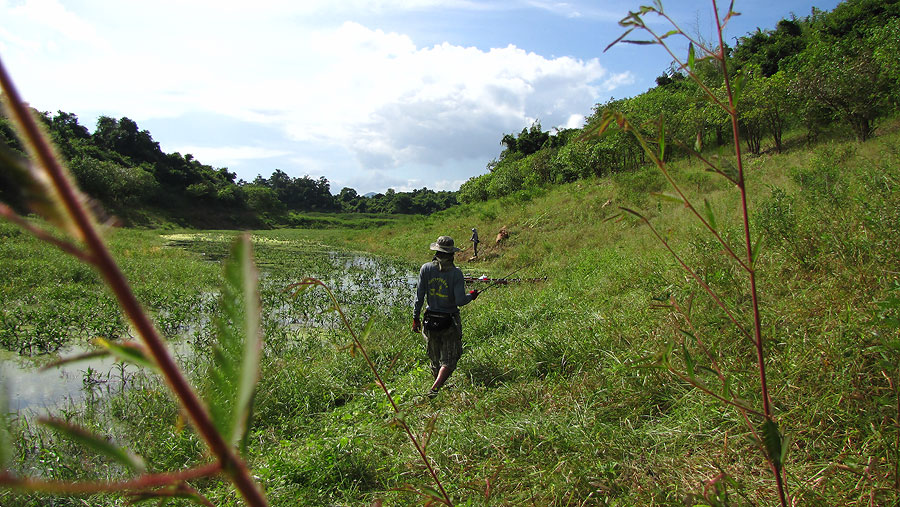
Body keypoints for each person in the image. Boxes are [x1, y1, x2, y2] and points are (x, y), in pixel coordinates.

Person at [413, 236, 479, 398]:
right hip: (449, 320)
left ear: (436, 252)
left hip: (430, 320)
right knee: (450, 358)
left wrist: (415, 317)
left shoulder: (426, 269)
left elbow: (419, 296)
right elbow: (460, 301)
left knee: (435, 358)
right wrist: (472, 295)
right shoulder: (456, 274)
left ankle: (437, 386)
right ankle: (435, 389)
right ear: (452, 254)